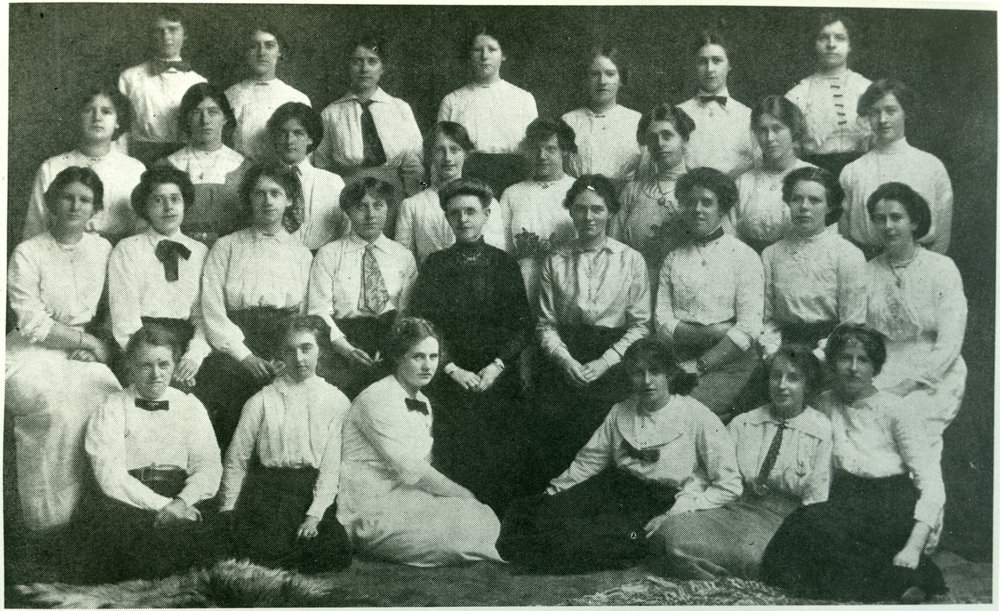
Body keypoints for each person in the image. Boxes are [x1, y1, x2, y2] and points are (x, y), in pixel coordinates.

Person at [498, 338, 742, 574]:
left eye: (655, 372)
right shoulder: (621, 410)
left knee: (585, 539)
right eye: (638, 373)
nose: (646, 381)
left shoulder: (697, 416)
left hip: (657, 503)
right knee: (530, 512)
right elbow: (589, 461)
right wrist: (554, 492)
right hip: (612, 489)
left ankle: (538, 560)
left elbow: (728, 485)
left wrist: (673, 515)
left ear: (670, 373)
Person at [760, 325, 947, 603]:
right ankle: (903, 584)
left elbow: (932, 485)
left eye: (863, 360)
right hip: (847, 499)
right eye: (845, 358)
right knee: (797, 536)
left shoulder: (896, 410)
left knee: (820, 533)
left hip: (891, 503)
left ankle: (910, 575)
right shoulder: (824, 403)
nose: (853, 368)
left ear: (876, 367)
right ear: (832, 363)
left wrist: (914, 544)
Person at [648, 345, 832, 580]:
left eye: (793, 378)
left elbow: (816, 500)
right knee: (668, 534)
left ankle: (714, 575)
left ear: (808, 385)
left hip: (783, 522)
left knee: (762, 557)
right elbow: (705, 476)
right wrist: (674, 513)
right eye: (776, 376)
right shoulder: (744, 423)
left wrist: (799, 540)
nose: (782, 385)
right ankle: (721, 577)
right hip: (734, 511)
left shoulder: (821, 430)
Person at [6, 167, 122, 533]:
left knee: (110, 396)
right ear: (51, 203)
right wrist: (88, 342)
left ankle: (103, 509)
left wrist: (95, 342)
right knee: (55, 408)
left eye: (84, 200)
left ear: (96, 208)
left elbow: (111, 308)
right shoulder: (28, 252)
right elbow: (33, 323)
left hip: (82, 351)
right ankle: (49, 520)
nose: (75, 206)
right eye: (67, 197)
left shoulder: (104, 249)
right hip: (28, 352)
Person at [408, 178, 534, 513]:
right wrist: (451, 369)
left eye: (470, 211)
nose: (463, 219)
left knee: (502, 455)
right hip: (450, 381)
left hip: (497, 377)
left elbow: (522, 325)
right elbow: (423, 326)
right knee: (455, 455)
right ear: (447, 218)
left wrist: (496, 366)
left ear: (486, 214)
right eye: (455, 213)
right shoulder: (435, 265)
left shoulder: (504, 264)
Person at [336, 317, 504, 567]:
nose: (428, 366)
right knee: (458, 535)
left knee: (479, 517)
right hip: (368, 509)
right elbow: (412, 468)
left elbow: (423, 465)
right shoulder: (377, 398)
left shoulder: (423, 402)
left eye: (433, 357)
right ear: (398, 357)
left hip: (405, 498)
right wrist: (463, 494)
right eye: (418, 357)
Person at [534, 174, 650, 485]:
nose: (588, 217)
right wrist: (566, 361)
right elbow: (546, 325)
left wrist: (605, 362)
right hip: (566, 357)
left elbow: (640, 326)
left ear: (611, 212)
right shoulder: (554, 260)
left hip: (614, 359)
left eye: (597, 209)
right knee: (553, 428)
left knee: (608, 431)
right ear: (570, 211)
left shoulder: (631, 260)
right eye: (580, 208)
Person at [82, 323, 222, 581]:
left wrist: (181, 503)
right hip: (130, 500)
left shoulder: (190, 406)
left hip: (182, 496)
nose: (156, 374)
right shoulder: (111, 408)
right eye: (145, 365)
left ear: (174, 364)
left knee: (202, 565)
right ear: (130, 367)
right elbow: (110, 477)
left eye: (163, 364)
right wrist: (165, 506)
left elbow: (208, 467)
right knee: (129, 564)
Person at [219, 315, 353, 572]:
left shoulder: (337, 401)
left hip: (310, 492)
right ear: (280, 354)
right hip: (268, 492)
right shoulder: (261, 400)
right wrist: (228, 509)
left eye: (306, 348)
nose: (299, 358)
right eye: (290, 350)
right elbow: (237, 459)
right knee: (261, 546)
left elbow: (331, 467)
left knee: (335, 550)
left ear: (320, 350)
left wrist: (314, 516)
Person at [198, 165, 313, 449]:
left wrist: (286, 355)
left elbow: (305, 312)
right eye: (259, 193)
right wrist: (244, 356)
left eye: (276, 193)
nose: (268, 201)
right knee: (225, 390)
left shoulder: (301, 254)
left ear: (289, 200)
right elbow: (212, 308)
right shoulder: (226, 247)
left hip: (283, 342)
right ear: (249, 199)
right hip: (235, 343)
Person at [864, 182, 967, 463]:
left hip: (934, 368)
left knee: (909, 424)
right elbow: (858, 329)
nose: (888, 226)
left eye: (896, 217)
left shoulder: (941, 268)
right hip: (884, 363)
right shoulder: (867, 271)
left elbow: (950, 340)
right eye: (880, 219)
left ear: (914, 222)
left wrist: (909, 384)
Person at [656, 168, 764, 420]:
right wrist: (713, 331)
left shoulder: (744, 256)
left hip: (731, 361)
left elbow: (748, 328)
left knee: (683, 413)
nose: (698, 209)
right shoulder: (673, 258)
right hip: (679, 358)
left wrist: (702, 364)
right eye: (691, 202)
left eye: (707, 202)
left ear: (722, 207)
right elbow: (662, 323)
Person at [308, 177, 418, 399]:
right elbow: (318, 310)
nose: (371, 215)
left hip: (391, 342)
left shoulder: (403, 256)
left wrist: (392, 345)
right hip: (344, 342)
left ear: (388, 208)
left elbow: (406, 310)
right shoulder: (329, 254)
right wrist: (345, 348)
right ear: (347, 211)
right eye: (361, 207)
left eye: (378, 205)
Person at [109, 166, 212, 388]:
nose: (168, 207)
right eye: (158, 200)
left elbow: (204, 315)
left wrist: (194, 356)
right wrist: (155, 362)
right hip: (140, 347)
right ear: (145, 208)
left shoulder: (201, 252)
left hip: (186, 347)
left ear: (184, 203)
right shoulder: (127, 250)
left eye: (175, 199)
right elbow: (124, 317)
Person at [839, 78, 953, 257]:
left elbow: (942, 233)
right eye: (875, 112)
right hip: (868, 266)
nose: (882, 119)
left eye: (891, 111)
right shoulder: (853, 171)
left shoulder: (931, 166)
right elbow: (844, 233)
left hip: (921, 266)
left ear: (905, 112)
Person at [760, 166, 866, 355]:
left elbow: (852, 322)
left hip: (831, 349)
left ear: (830, 206)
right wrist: (772, 352)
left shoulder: (848, 254)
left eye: (815, 200)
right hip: (781, 350)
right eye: (796, 199)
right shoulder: (771, 254)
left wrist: (818, 357)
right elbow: (767, 318)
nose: (804, 207)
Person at [22, 86, 146, 244]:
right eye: (89, 110)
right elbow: (34, 230)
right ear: (77, 118)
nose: (97, 118)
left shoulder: (135, 169)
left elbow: (143, 231)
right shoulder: (52, 167)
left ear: (118, 121)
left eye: (106, 112)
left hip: (121, 256)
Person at [313, 34, 423, 200]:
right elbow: (321, 165)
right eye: (357, 61)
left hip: (394, 193)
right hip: (349, 193)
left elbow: (416, 162)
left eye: (372, 61)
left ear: (382, 68)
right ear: (348, 66)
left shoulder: (400, 108)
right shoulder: (331, 113)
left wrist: (417, 197)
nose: (365, 69)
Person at [438, 25, 538, 196]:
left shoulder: (523, 99)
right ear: (469, 55)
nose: (484, 56)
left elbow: (534, 149)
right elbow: (439, 151)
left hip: (515, 181)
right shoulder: (452, 101)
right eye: (478, 50)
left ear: (503, 54)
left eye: (492, 49)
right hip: (467, 183)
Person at [394, 121, 509, 263]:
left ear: (466, 154)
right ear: (430, 155)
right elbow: (403, 263)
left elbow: (496, 255)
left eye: (454, 150)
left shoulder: (488, 203)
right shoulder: (411, 206)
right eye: (440, 150)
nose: (447, 158)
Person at [611, 104, 694, 279]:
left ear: (684, 140)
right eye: (652, 138)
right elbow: (613, 248)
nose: (659, 144)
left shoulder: (698, 190)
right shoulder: (632, 191)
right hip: (633, 282)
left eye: (667, 136)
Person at [501, 118, 578, 305]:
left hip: (570, 281)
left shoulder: (580, 189)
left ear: (564, 151)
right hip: (524, 284)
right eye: (536, 149)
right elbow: (503, 249)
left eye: (550, 149)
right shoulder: (512, 193)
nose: (541, 155)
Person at [785, 12, 872, 176]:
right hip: (815, 176)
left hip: (863, 173)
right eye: (823, 38)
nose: (831, 44)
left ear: (850, 44)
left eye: (840, 38)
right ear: (814, 44)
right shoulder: (798, 95)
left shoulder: (866, 89)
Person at [728, 96, 817, 253]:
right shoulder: (744, 182)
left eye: (777, 129)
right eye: (763, 130)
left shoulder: (813, 177)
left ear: (793, 131)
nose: (769, 138)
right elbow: (732, 237)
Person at [118, 7, 207, 165]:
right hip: (141, 159)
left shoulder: (199, 82)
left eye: (173, 30)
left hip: (185, 159)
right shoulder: (129, 78)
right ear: (151, 36)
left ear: (185, 34)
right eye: (159, 31)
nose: (166, 36)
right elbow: (120, 130)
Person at [163, 83, 246, 247]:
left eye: (213, 112)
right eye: (196, 112)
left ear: (225, 118)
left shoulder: (245, 167)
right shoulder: (167, 166)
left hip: (233, 250)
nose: (205, 120)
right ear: (186, 119)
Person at [225, 22, 311, 162]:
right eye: (254, 46)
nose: (261, 53)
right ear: (247, 52)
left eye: (269, 46)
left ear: (279, 52)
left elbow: (305, 155)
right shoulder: (230, 95)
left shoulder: (297, 98)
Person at [267, 102, 349, 250]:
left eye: (298, 133)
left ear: (310, 138)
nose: (289, 140)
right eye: (283, 133)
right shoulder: (264, 181)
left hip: (322, 259)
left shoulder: (332, 182)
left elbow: (346, 229)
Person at [677, 31, 756, 177]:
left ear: (729, 65)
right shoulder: (678, 113)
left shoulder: (747, 115)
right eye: (702, 62)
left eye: (717, 61)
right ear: (694, 66)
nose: (710, 69)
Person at [560, 46, 642, 185]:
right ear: (586, 79)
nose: (602, 81)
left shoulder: (636, 121)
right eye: (595, 74)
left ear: (621, 80)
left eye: (610, 74)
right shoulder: (569, 121)